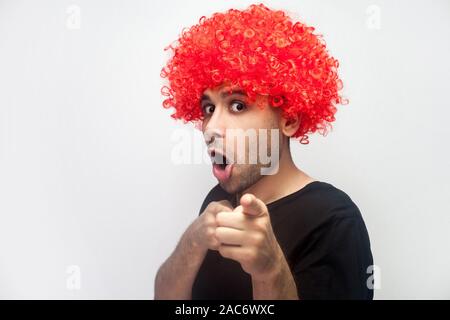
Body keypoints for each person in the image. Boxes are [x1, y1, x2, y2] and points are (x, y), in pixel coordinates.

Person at [154, 3, 373, 300]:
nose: (210, 128)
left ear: (289, 119)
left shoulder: (333, 220)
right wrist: (192, 241)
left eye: (237, 105)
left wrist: (270, 270)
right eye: (208, 108)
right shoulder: (218, 199)